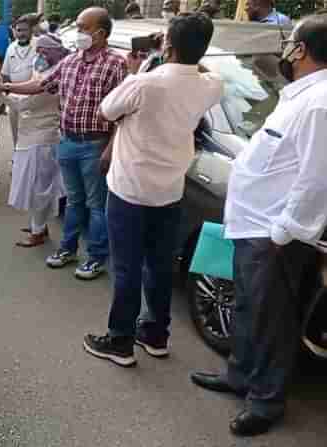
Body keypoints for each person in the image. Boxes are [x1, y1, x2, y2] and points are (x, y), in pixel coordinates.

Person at [191, 14, 327, 437]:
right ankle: (240, 375)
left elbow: (318, 177)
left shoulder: (321, 101)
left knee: (272, 318)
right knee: (249, 307)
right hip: (254, 226)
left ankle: (266, 400)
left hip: (275, 234)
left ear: (300, 49)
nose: (287, 50)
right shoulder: (301, 94)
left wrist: (286, 230)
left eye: (291, 43)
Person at [81, 13, 223, 367]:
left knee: (127, 268)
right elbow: (203, 72)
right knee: (159, 267)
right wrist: (183, 52)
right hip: (170, 192)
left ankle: (120, 341)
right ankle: (156, 335)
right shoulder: (210, 86)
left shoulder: (144, 83)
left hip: (129, 191)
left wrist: (141, 69)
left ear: (167, 44)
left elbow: (106, 110)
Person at [0, 8, 127, 280]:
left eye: (82, 28)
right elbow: (40, 85)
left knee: (95, 205)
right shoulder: (71, 62)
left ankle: (95, 258)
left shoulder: (116, 63)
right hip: (67, 142)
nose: (78, 33)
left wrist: (110, 149)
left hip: (95, 145)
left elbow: (124, 114)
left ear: (100, 33)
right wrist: (5, 87)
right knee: (74, 201)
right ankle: (67, 249)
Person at [7, 33, 68, 248]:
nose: (39, 54)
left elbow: (26, 103)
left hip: (42, 138)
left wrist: (2, 91)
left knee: (41, 187)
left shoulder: (56, 75)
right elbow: (29, 85)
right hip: (29, 136)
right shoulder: (42, 67)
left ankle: (38, 231)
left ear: (56, 52)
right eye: (38, 49)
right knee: (34, 186)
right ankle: (38, 225)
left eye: (44, 50)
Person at [2, 15, 37, 147]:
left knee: (31, 133)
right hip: (14, 98)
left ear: (31, 30)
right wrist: (7, 96)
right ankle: (17, 158)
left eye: (24, 30)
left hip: (34, 97)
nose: (21, 33)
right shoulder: (10, 47)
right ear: (14, 31)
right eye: (18, 30)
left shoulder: (38, 45)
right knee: (15, 131)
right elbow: (5, 74)